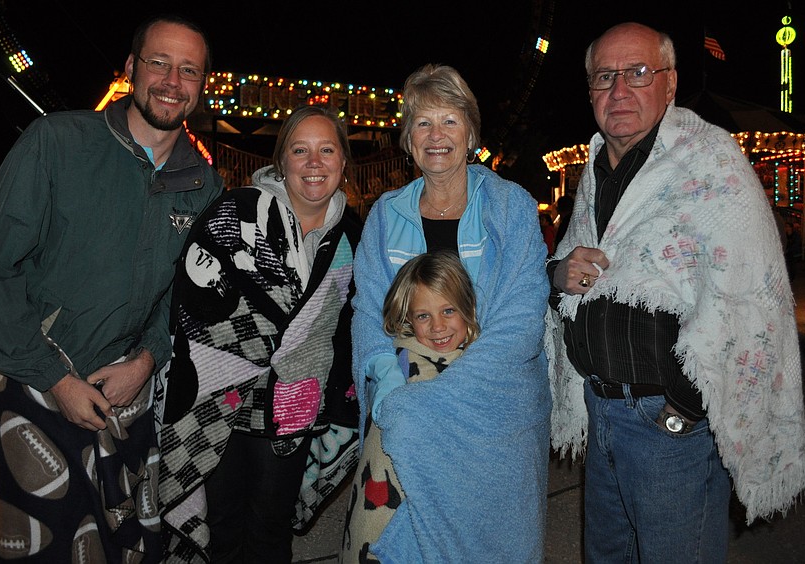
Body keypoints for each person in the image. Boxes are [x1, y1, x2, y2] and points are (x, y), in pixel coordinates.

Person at [544, 22, 805, 563]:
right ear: (590, 90)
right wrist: (558, 274)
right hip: (601, 411)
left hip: (668, 427)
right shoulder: (595, 168)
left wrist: (682, 410)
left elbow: (749, 298)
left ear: (669, 84)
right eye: (605, 76)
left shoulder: (711, 162)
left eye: (639, 73)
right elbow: (573, 268)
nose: (619, 90)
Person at [0, 13, 221, 562]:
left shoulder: (204, 184)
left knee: (125, 547)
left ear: (201, 87)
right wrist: (55, 379)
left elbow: (184, 296)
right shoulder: (57, 142)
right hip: (38, 383)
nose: (171, 81)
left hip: (129, 396)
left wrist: (148, 360)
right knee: (44, 547)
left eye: (188, 70)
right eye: (159, 63)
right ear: (132, 68)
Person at [351, 63, 551, 562]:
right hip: (405, 391)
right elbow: (367, 311)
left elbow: (521, 318)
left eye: (449, 120)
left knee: (491, 541)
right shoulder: (384, 213)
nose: (436, 135)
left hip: (494, 395)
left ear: (471, 133)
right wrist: (390, 387)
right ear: (407, 138)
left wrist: (449, 394)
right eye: (422, 122)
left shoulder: (512, 208)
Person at [157, 104, 362, 563]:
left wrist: (339, 395)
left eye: (326, 150)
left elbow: (352, 323)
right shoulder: (237, 213)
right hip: (218, 397)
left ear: (343, 163)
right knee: (223, 526)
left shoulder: (352, 235)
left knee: (270, 530)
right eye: (300, 150)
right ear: (281, 160)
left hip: (293, 406)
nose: (314, 163)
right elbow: (193, 302)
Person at [341, 250, 480, 562]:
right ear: (407, 318)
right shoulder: (404, 364)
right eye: (423, 316)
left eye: (448, 311)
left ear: (468, 306)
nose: (437, 327)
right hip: (390, 505)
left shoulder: (479, 363)